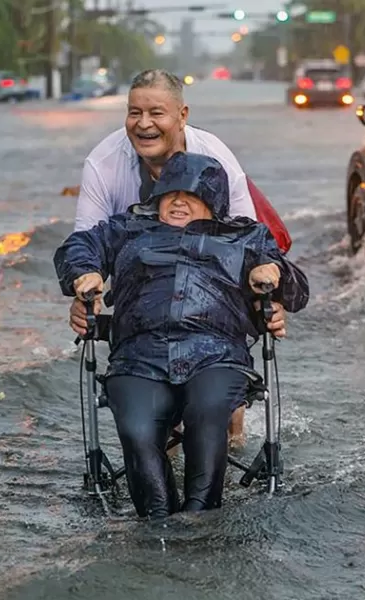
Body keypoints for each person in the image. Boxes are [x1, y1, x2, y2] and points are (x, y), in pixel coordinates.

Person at [55, 152, 309, 520]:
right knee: (138, 429)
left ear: (214, 202)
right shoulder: (127, 229)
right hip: (138, 356)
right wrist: (84, 273)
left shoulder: (246, 236)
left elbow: (299, 292)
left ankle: (199, 520)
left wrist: (274, 271)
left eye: (191, 195)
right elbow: (77, 247)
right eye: (170, 193)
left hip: (217, 355)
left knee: (208, 415)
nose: (178, 201)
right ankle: (157, 519)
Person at [69, 68, 292, 444]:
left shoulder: (214, 157)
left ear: (182, 116)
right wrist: (83, 292)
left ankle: (230, 431)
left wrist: (266, 300)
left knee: (222, 393)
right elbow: (86, 243)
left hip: (211, 294)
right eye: (134, 113)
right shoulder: (103, 164)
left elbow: (249, 244)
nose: (143, 124)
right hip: (143, 287)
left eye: (156, 113)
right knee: (155, 412)